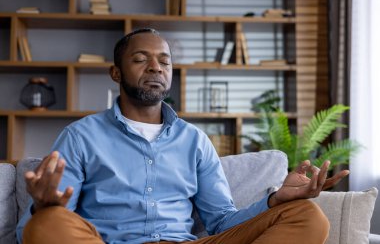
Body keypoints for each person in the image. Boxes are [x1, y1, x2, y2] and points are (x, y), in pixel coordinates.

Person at [16, 28, 349, 244]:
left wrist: (276, 200)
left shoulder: (195, 141)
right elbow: (35, 232)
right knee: (45, 225)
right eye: (140, 59)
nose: (155, 68)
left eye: (164, 61)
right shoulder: (80, 137)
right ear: (116, 73)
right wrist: (43, 209)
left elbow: (222, 222)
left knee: (306, 216)